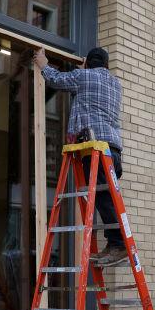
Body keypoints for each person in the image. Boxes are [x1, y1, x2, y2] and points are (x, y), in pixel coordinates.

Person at [33, 46, 127, 266]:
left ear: (88, 64)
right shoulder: (115, 84)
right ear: (106, 65)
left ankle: (118, 245)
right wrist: (86, 67)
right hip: (112, 150)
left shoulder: (83, 76)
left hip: (94, 148)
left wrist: (43, 64)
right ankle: (115, 244)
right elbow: (89, 94)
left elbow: (56, 79)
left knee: (103, 199)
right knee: (107, 198)